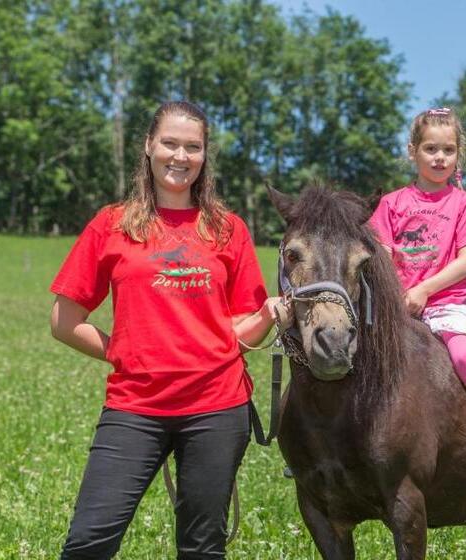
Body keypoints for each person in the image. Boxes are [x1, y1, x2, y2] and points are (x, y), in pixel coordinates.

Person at [50, 100, 291, 558]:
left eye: (193, 147)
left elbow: (241, 329)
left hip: (217, 407)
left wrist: (267, 316)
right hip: (135, 406)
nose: (180, 156)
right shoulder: (112, 225)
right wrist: (122, 351)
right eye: (170, 143)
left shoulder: (229, 229)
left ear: (204, 155)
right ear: (148, 146)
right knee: (88, 541)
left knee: (201, 547)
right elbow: (64, 322)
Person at [369, 107, 466, 482]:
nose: (440, 158)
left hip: (444, 305)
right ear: (413, 152)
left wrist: (423, 289)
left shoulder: (464, 204)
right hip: (396, 305)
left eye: (448, 150)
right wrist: (397, 294)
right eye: (431, 149)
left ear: (458, 155)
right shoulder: (391, 203)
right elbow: (383, 256)